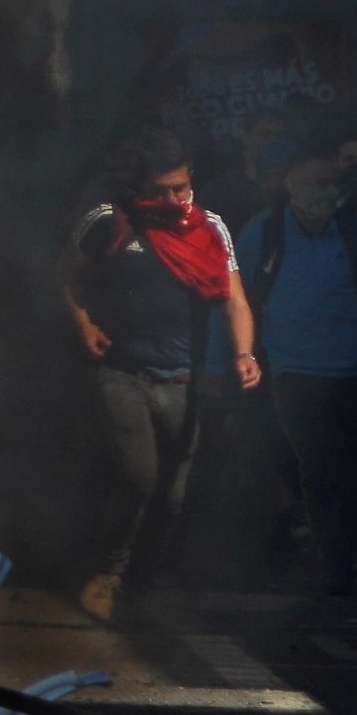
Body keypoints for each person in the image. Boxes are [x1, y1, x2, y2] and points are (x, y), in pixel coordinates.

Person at [63, 129, 260, 623]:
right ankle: (108, 572)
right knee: (138, 476)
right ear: (141, 185)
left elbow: (235, 299)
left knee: (172, 495)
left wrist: (244, 354)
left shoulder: (211, 227)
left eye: (182, 188)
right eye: (163, 190)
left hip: (182, 381)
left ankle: (141, 583)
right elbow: (65, 273)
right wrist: (83, 322)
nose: (174, 199)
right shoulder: (112, 221)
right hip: (122, 373)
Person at [236, 147, 357, 594]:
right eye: (315, 182)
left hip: (352, 367)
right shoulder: (263, 232)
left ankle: (350, 541)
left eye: (331, 183)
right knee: (316, 463)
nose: (325, 192)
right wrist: (227, 360)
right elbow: (234, 297)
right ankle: (332, 556)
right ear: (292, 185)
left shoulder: (354, 232)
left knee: (354, 462)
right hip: (291, 368)